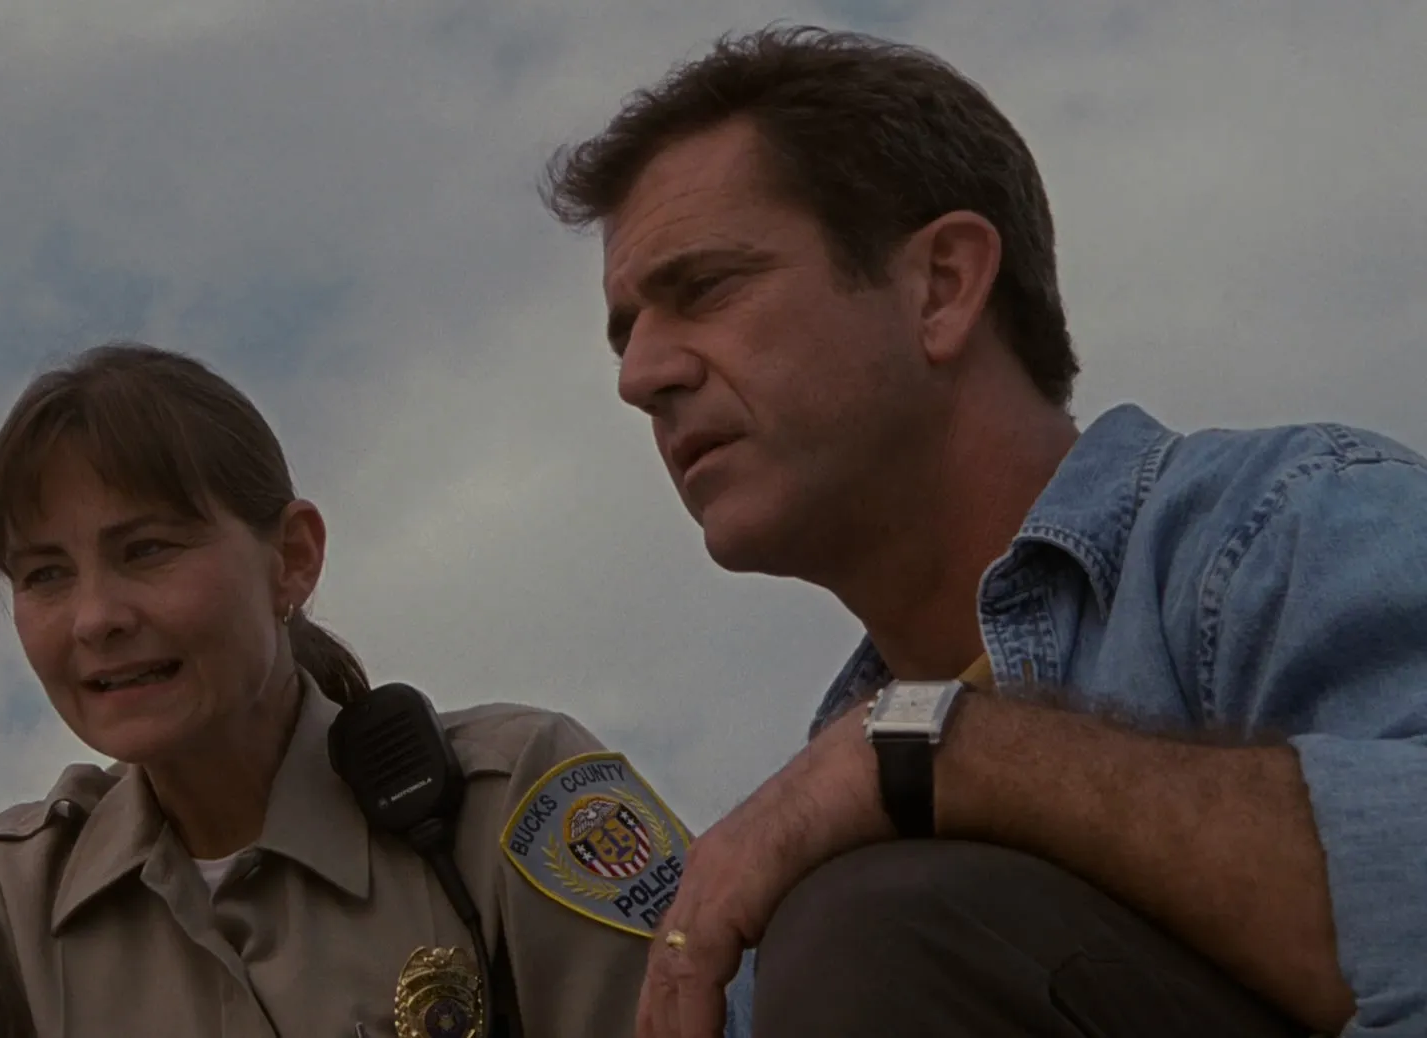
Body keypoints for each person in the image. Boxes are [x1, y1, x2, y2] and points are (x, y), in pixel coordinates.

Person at [537, 24, 1425, 1038]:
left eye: (704, 288)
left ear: (944, 286)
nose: (640, 376)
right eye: (626, 334)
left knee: (874, 927)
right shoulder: (777, 872)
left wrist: (939, 756)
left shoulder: (1287, 525)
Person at [0, 343, 751, 1037]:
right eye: (44, 575)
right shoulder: (1, 901)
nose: (95, 617)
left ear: (292, 557)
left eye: (147, 551)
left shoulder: (509, 803)